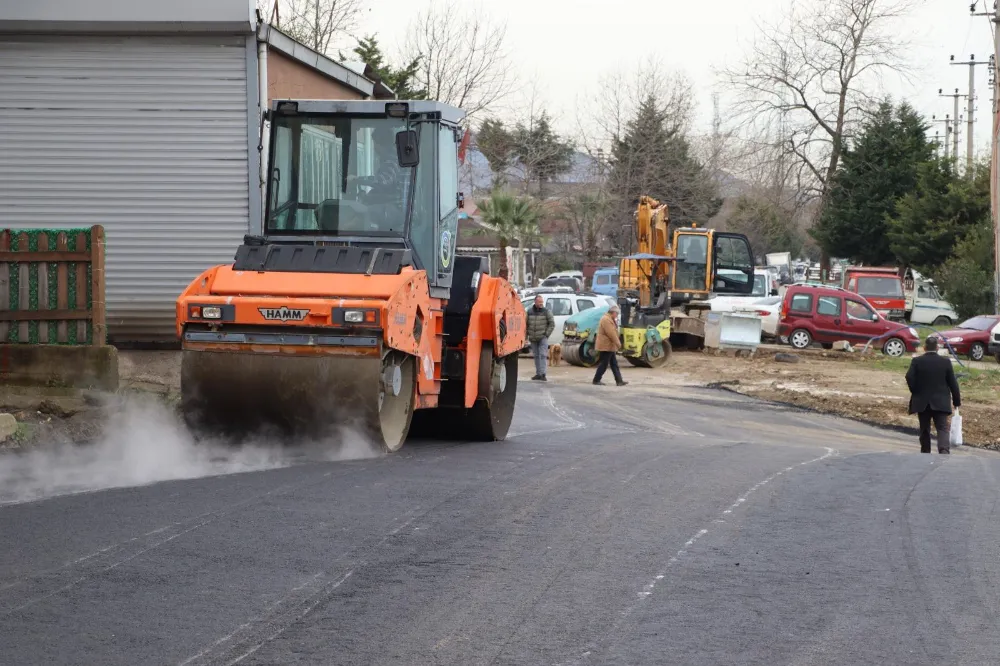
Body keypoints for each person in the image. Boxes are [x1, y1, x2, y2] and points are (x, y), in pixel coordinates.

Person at [905, 335, 961, 454]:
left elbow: (909, 376)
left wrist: (915, 391)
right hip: (941, 401)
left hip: (922, 401)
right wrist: (957, 401)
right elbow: (953, 383)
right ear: (937, 348)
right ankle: (944, 450)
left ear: (924, 348)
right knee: (942, 428)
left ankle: (925, 452)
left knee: (924, 428)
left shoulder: (917, 361)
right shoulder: (945, 362)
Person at [593, 303, 628, 387]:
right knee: (604, 364)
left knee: (614, 364)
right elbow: (611, 333)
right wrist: (619, 344)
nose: (617, 315)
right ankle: (596, 379)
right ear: (613, 312)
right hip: (606, 346)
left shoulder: (609, 319)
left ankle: (619, 381)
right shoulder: (606, 320)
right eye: (617, 314)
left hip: (609, 346)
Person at [526, 295, 554, 381]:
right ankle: (538, 374)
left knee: (542, 355)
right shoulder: (529, 311)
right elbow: (526, 324)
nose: (541, 304)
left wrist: (546, 334)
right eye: (539, 302)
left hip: (542, 337)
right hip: (533, 338)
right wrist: (526, 336)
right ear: (535, 302)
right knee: (536, 356)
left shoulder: (546, 311)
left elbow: (552, 323)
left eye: (542, 302)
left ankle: (543, 374)